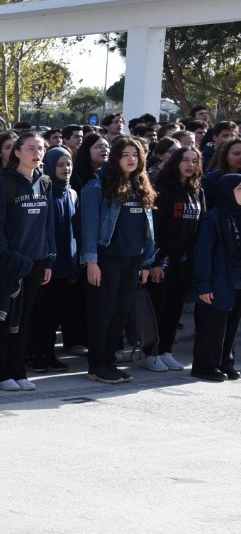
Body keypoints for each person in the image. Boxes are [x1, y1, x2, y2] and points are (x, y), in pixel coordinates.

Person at [79, 136, 158, 385]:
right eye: (125, 154)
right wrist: (91, 262)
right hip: (106, 259)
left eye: (135, 154)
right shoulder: (98, 187)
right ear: (115, 157)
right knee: (102, 314)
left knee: (121, 314)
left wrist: (146, 263)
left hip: (133, 260)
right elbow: (88, 228)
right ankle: (97, 365)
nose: (131, 159)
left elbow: (147, 231)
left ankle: (110, 362)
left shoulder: (141, 185)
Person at [0, 131, 55, 392]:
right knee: (4, 318)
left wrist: (48, 260)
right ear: (18, 152)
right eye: (31, 148)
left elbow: (49, 224)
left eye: (41, 149)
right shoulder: (4, 184)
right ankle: (1, 373)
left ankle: (18, 370)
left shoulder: (45, 182)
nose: (37, 153)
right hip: (11, 263)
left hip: (36, 262)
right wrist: (6, 257)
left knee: (24, 320)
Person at [148, 145, 204, 371]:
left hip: (184, 264)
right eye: (185, 160)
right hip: (163, 262)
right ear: (175, 163)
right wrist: (155, 261)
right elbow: (155, 230)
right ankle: (150, 353)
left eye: (194, 161)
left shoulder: (197, 192)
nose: (190, 165)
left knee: (174, 309)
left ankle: (166, 350)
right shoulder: (161, 191)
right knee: (158, 309)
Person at [27, 148, 80, 372]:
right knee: (37, 313)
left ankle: (48, 353)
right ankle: (32, 354)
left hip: (66, 261)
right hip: (46, 261)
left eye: (68, 164)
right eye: (60, 165)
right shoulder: (42, 191)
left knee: (53, 314)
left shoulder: (73, 193)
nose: (65, 169)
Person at [190, 173, 241, 382]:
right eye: (239, 189)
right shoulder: (213, 219)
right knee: (212, 326)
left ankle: (224, 362)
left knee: (230, 326)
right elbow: (203, 254)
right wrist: (203, 284)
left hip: (237, 282)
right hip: (217, 281)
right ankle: (205, 365)